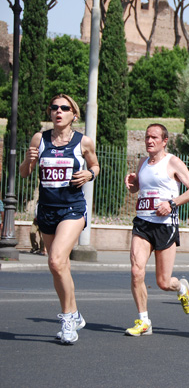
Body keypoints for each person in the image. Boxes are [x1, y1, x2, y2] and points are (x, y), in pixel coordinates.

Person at [19, 94, 100, 344]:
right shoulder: (39, 139)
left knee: (55, 260)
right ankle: (74, 313)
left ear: (73, 114)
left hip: (72, 209)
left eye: (64, 108)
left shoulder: (83, 141)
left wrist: (89, 174)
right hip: (47, 209)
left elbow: (96, 166)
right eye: (54, 107)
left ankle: (67, 320)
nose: (58, 111)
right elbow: (24, 174)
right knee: (59, 266)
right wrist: (28, 161)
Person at [124, 123, 189, 337]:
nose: (149, 140)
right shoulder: (142, 163)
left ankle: (181, 287)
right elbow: (139, 189)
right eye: (147, 137)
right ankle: (144, 321)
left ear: (164, 141)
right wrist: (132, 185)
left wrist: (172, 203)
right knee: (136, 271)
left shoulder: (173, 162)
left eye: (154, 137)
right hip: (142, 223)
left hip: (165, 225)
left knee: (163, 282)